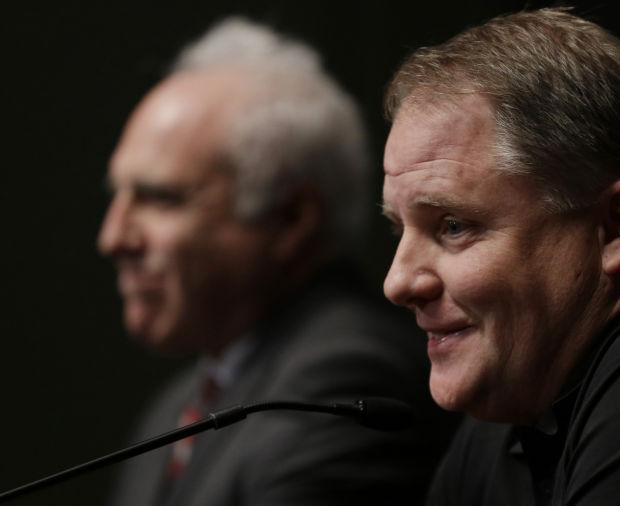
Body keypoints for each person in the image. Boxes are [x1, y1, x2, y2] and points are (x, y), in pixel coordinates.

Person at [381, 7, 620, 506]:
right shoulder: (518, 392)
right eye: (398, 229)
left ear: (616, 227)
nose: (398, 282)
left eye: (453, 227)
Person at [99, 17, 454, 506]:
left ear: (290, 218)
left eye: (161, 199)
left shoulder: (342, 381)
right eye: (117, 196)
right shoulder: (177, 406)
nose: (113, 237)